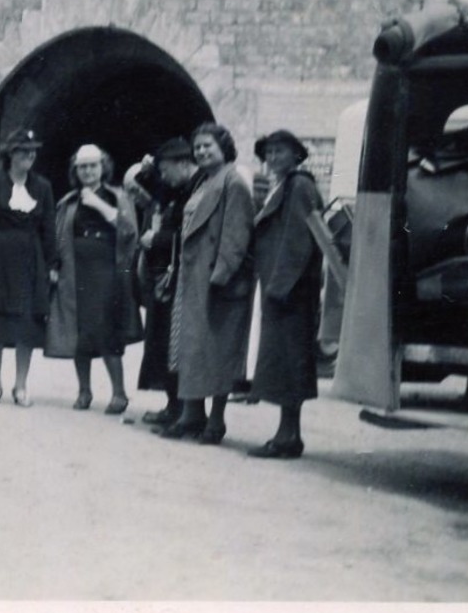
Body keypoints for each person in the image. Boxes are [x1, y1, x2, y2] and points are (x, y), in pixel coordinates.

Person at [163, 123, 255, 444]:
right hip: (192, 276)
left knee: (217, 348)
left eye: (208, 146)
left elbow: (236, 235)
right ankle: (191, 413)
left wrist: (222, 276)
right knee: (191, 347)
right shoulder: (203, 180)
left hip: (216, 280)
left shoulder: (233, 182)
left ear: (224, 148)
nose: (201, 151)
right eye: (198, 147)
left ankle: (215, 421)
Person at [45, 143, 143, 415]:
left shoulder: (117, 197)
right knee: (80, 332)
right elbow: (57, 236)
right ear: (76, 170)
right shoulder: (68, 201)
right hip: (74, 271)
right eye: (82, 167)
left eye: (92, 166)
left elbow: (129, 232)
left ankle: (119, 394)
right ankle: (84, 391)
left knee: (107, 331)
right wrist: (54, 266)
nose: (87, 171)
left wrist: (98, 204)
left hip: (107, 273)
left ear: (103, 168)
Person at [247, 129, 324, 459]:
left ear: (297, 154)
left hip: (290, 291)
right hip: (282, 288)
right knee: (284, 363)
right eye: (270, 153)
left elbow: (298, 241)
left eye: (281, 151)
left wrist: (279, 287)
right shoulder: (285, 186)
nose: (274, 157)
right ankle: (287, 434)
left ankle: (288, 436)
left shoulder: (300, 186)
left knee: (290, 363)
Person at [0, 128, 56, 406]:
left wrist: (52, 264)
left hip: (31, 262)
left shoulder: (42, 187)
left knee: (27, 324)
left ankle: (21, 385)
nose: (29, 156)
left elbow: (49, 229)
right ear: (10, 154)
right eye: (22, 151)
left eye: (32, 151)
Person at [123, 136, 198, 428]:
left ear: (182, 164)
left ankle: (180, 409)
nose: (164, 176)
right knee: (162, 343)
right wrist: (149, 170)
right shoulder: (177, 189)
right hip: (164, 276)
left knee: (172, 343)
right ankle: (172, 405)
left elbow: (188, 232)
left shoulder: (193, 190)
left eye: (167, 169)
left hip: (176, 276)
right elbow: (150, 186)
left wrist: (158, 239)